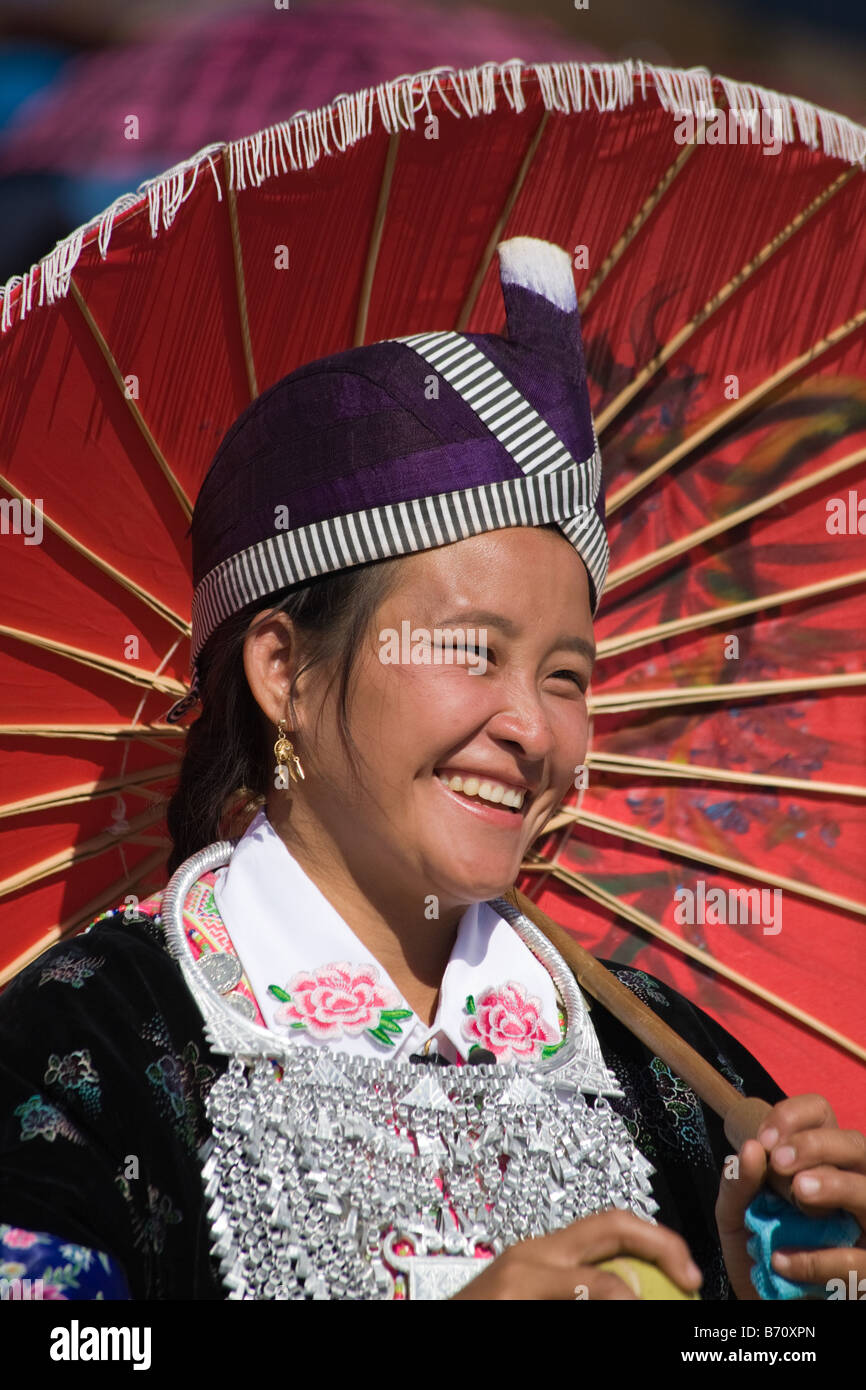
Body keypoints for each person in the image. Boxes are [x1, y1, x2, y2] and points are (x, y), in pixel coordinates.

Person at [0, 237, 863, 1302]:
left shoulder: (675, 1083)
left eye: (565, 675)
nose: (534, 732)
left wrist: (772, 1299)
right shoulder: (88, 1050)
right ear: (284, 670)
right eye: (470, 650)